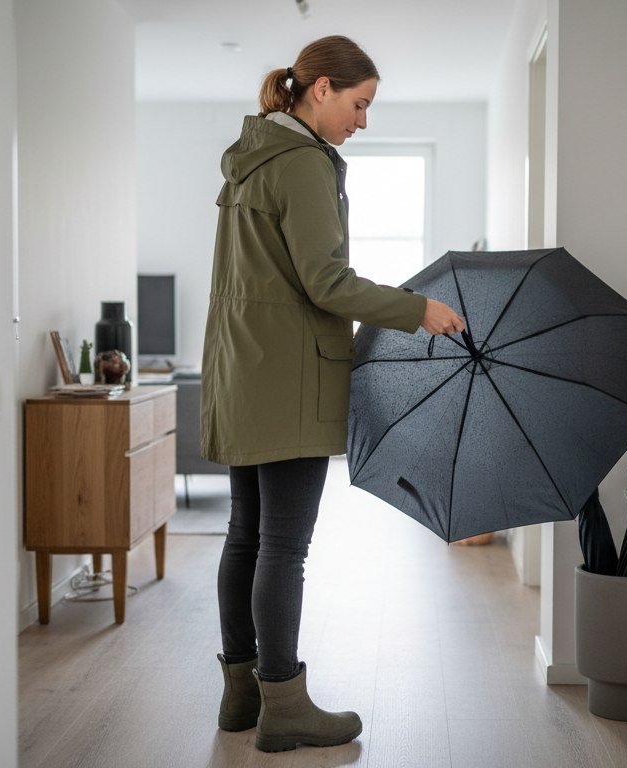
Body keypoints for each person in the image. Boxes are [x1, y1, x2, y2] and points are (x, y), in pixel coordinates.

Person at [200, 35, 465, 753]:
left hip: (242, 370)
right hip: (289, 378)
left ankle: (241, 695)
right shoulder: (305, 164)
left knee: (245, 536)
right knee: (284, 546)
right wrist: (420, 311)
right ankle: (284, 704)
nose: (362, 121)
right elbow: (327, 283)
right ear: (320, 89)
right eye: (360, 103)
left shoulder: (249, 158)